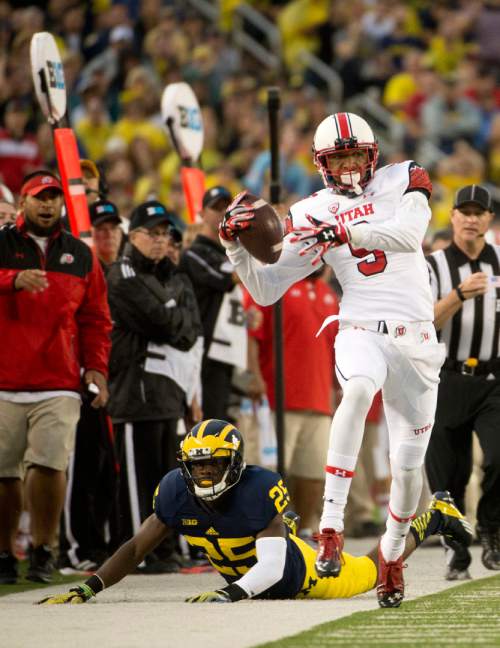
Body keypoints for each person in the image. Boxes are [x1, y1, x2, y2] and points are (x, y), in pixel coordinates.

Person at [219, 112, 445, 607]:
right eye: (336, 156)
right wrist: (236, 248)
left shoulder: (404, 178)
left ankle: (389, 554)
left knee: (408, 470)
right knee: (357, 389)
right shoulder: (310, 210)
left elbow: (408, 235)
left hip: (417, 337)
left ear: (372, 155)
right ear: (322, 164)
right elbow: (267, 288)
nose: (346, 165)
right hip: (360, 324)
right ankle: (330, 526)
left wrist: (346, 235)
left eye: (353, 154)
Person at [37, 419, 472, 606]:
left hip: (299, 577)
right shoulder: (174, 491)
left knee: (376, 569)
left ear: (235, 464)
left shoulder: (257, 488)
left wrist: (230, 594)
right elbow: (135, 548)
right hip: (250, 580)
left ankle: (434, 516)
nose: (205, 474)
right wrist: (91, 587)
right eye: (198, 465)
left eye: (214, 464)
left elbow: (272, 565)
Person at [0, 170, 112, 585]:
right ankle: (4, 553)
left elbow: (96, 319)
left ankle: (44, 549)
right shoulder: (2, 245)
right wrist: (12, 280)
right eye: (39, 197)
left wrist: (97, 368)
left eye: (54, 198)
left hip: (58, 381)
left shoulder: (82, 256)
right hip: (4, 379)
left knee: (48, 467)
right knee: (3, 474)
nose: (47, 205)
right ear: (23, 202)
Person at [106, 200, 202, 573]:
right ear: (134, 236)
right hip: (135, 391)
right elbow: (161, 321)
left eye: (165, 234)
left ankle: (166, 550)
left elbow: (190, 330)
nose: (161, 241)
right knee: (138, 480)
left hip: (169, 392)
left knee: (169, 478)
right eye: (153, 234)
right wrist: (172, 313)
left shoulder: (175, 275)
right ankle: (136, 554)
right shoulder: (122, 274)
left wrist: (170, 313)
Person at [426, 184, 500, 580]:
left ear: (489, 219)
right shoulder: (433, 265)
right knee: (448, 475)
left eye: (479, 212)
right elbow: (424, 324)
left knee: (499, 457)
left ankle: (490, 528)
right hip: (447, 377)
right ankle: (457, 550)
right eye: (464, 211)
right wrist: (457, 294)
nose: (471, 219)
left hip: (494, 377)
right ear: (452, 216)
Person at [243, 267, 339, 538]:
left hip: (319, 398)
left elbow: (337, 345)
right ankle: (264, 531)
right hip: (277, 397)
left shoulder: (329, 294)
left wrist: (338, 385)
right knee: (269, 471)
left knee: (314, 470)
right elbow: (252, 333)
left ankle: (304, 528)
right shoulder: (274, 285)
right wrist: (254, 375)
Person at [58, 197, 123, 574]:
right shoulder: (80, 267)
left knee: (102, 466)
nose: (108, 235)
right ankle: (73, 546)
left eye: (113, 228)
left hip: (108, 375)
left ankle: (96, 544)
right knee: (79, 465)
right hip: (77, 375)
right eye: (100, 229)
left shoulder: (116, 271)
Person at [178, 186, 247, 420]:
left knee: (223, 423)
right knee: (204, 422)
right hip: (203, 350)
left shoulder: (231, 254)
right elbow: (228, 279)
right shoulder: (194, 253)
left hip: (229, 353)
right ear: (202, 213)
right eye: (215, 208)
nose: (222, 213)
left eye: (227, 208)